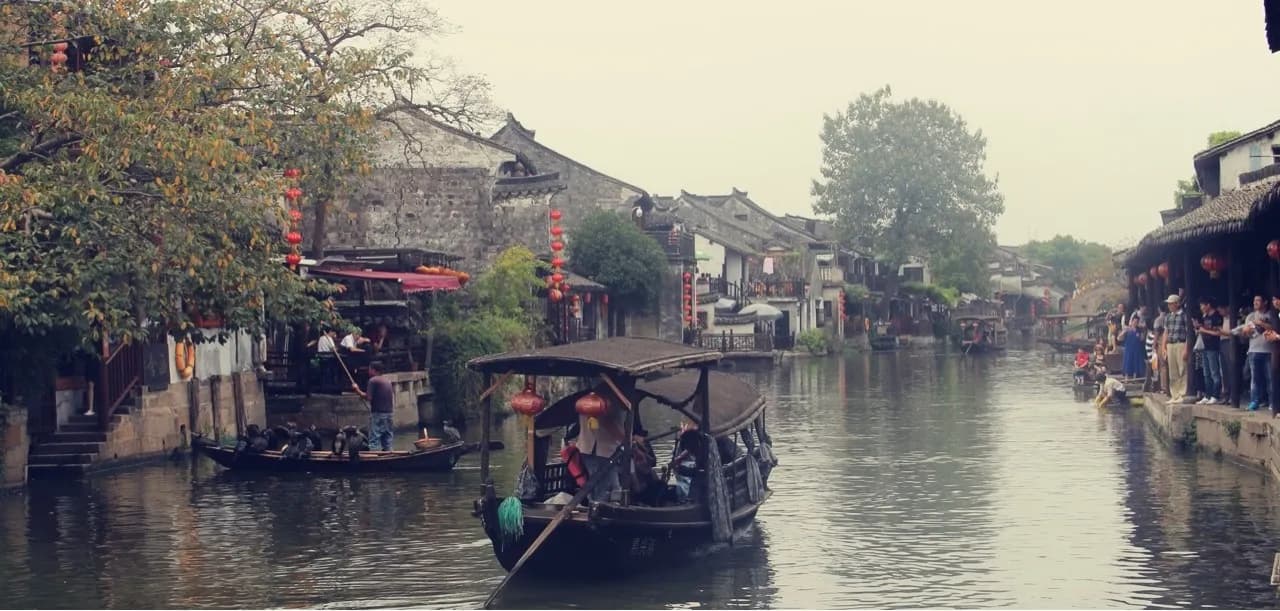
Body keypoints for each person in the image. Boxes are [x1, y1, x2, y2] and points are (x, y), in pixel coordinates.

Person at [575, 391, 627, 502]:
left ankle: (604, 508)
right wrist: (627, 440)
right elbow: (607, 423)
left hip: (600, 449)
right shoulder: (601, 401)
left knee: (612, 485)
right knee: (602, 486)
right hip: (599, 450)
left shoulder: (587, 400)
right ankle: (598, 510)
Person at [1231, 295, 1277, 411]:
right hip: (1253, 350)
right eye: (1254, 300)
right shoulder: (1251, 316)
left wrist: (1261, 323)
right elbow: (1247, 331)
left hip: (1269, 350)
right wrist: (1245, 331)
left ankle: (1273, 402)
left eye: (1258, 300)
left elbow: (1275, 328)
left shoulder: (1272, 315)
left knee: (1270, 378)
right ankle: (1254, 401)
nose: (1255, 302)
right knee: (1254, 379)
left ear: (1265, 302)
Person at [352, 362, 395, 450]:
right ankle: (388, 454)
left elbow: (368, 397)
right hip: (389, 414)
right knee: (387, 439)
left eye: (369, 369)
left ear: (374, 370)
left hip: (378, 414)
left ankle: (374, 456)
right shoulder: (387, 381)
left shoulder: (373, 380)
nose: (368, 371)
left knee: (374, 438)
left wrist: (357, 390)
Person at [1195, 297, 1226, 405]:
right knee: (1206, 373)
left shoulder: (1216, 316)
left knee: (1214, 373)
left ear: (1208, 305)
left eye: (1202, 305)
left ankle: (1215, 395)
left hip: (1214, 347)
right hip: (1205, 347)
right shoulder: (1205, 317)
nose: (1201, 308)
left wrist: (1204, 330)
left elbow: (1218, 333)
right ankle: (1207, 395)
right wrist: (1200, 327)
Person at [1163, 294, 1191, 404]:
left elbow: (1189, 332)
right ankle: (1174, 395)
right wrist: (1164, 347)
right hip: (1170, 344)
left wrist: (1186, 348)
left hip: (1181, 343)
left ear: (1177, 304)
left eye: (1171, 303)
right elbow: (1166, 332)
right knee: (1172, 371)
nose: (1169, 306)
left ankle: (1182, 393)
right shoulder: (1168, 317)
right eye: (1169, 304)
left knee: (1182, 369)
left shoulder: (1184, 315)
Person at [1120, 315, 1146, 379]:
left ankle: (1135, 377)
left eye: (1137, 322)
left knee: (1136, 363)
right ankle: (1127, 377)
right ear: (1131, 322)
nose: (1135, 323)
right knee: (1128, 362)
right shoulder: (1127, 329)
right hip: (1129, 349)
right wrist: (1123, 332)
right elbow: (1119, 338)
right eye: (1134, 321)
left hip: (1137, 349)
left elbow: (1142, 339)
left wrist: (1142, 331)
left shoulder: (1139, 330)